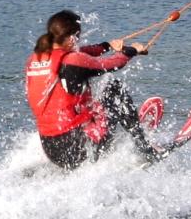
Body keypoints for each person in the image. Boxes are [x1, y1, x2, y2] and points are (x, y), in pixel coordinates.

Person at [25, 10, 162, 169]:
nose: (78, 41)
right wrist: (132, 51)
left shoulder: (36, 59)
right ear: (71, 38)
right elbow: (114, 63)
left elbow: (82, 52)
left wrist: (107, 46)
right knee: (114, 89)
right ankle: (146, 149)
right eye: (78, 36)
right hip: (79, 150)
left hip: (52, 150)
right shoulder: (73, 61)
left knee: (90, 104)